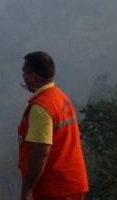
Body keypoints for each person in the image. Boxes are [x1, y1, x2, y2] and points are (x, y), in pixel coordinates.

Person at [18, 51, 88, 200]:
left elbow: (40, 153)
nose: (23, 77)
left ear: (34, 77)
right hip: (72, 184)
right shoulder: (60, 98)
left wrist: (27, 190)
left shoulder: (41, 107)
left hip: (55, 189)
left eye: (25, 73)